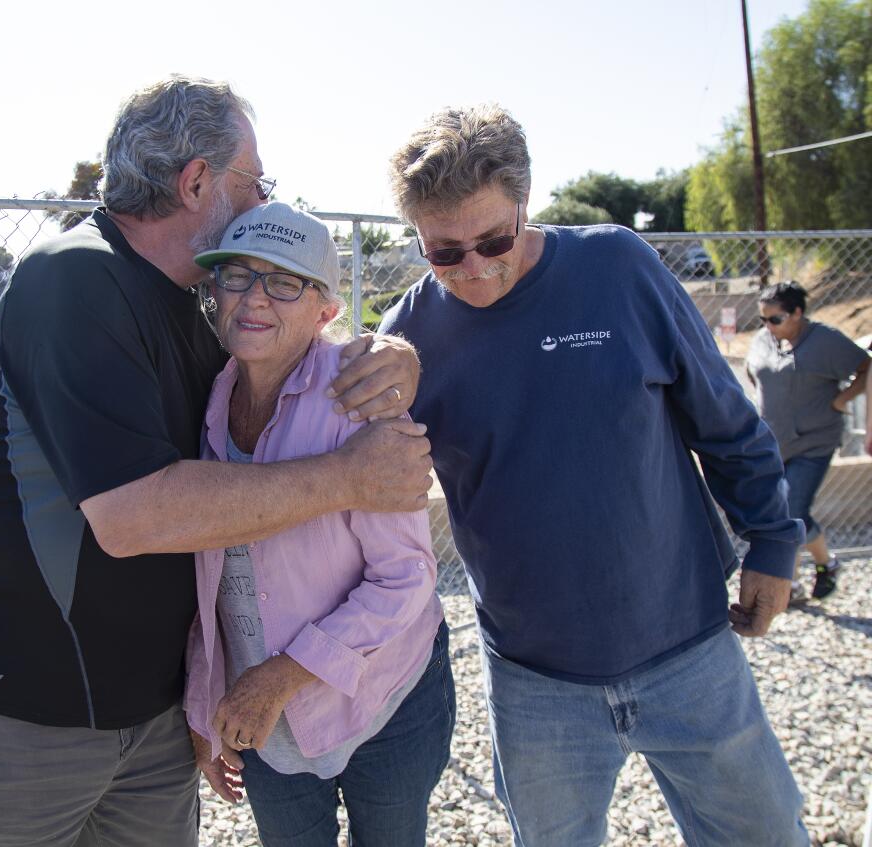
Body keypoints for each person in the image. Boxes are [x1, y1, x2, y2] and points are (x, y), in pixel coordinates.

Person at [0, 76, 432, 847]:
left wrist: (395, 355)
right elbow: (133, 514)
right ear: (196, 181)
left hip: (146, 720)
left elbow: (297, 356)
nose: (262, 204)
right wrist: (348, 477)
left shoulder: (195, 310)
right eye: (255, 183)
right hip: (23, 715)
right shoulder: (73, 280)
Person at [380, 103, 810, 847]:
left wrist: (772, 545)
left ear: (525, 202)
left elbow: (726, 420)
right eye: (444, 252)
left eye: (493, 239)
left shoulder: (618, 267)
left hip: (690, 646)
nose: (475, 268)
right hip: (534, 677)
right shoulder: (407, 342)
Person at [185, 202, 454, 847]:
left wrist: (278, 678)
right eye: (239, 275)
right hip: (264, 722)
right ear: (214, 290)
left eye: (284, 282)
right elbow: (206, 585)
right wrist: (204, 703)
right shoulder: (201, 400)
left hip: (384, 695)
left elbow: (405, 579)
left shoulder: (356, 394)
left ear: (325, 311)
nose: (255, 298)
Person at [745, 281, 869, 603]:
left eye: (776, 319)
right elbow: (754, 374)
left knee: (793, 510)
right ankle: (823, 566)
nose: (768, 326)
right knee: (785, 511)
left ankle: (795, 581)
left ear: (797, 312)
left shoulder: (825, 341)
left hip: (814, 442)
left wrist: (843, 400)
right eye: (763, 320)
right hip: (774, 442)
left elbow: (866, 366)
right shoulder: (763, 341)